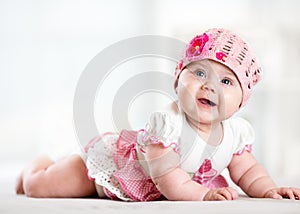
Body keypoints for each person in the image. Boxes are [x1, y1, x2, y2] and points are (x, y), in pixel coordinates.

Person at [15, 28, 300, 201]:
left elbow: (248, 171)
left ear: (240, 103)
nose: (209, 85)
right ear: (177, 81)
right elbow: (167, 175)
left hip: (171, 182)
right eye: (200, 72)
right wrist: (201, 195)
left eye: (226, 82)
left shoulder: (236, 134)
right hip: (110, 168)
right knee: (45, 187)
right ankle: (37, 166)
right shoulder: (169, 124)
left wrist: (267, 190)